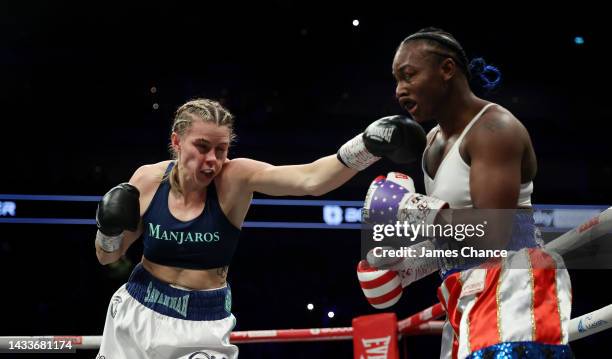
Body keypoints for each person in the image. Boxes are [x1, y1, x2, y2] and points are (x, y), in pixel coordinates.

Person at [94, 98, 426, 358]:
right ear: (177, 142)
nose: (213, 159)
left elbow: (310, 180)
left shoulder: (235, 178)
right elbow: (109, 257)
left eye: (221, 149)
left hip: (200, 325)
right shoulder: (148, 179)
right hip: (135, 308)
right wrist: (107, 232)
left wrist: (367, 146)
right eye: (202, 147)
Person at [356, 28, 572, 358]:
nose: (400, 90)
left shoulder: (494, 129)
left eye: (409, 75)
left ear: (446, 69)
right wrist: (411, 265)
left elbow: (494, 233)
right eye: (396, 80)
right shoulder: (430, 144)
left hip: (511, 295)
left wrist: (415, 208)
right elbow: (460, 233)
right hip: (464, 296)